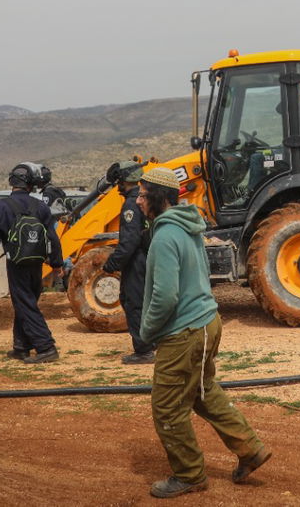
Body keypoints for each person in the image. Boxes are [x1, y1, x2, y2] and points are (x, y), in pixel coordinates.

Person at [138, 164, 269, 497]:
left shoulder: (165, 235)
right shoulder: (187, 225)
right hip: (207, 322)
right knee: (202, 391)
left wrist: (147, 330)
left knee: (167, 407)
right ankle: (250, 449)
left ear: (156, 196)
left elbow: (165, 295)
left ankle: (190, 474)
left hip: (185, 332)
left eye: (141, 194)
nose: (137, 201)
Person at [0, 163, 67, 363]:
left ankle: (46, 347)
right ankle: (21, 347)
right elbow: (53, 238)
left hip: (16, 263)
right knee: (26, 302)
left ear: (12, 182)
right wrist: (57, 264)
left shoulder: (1, 206)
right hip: (37, 264)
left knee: (24, 304)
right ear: (32, 184)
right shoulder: (41, 207)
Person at [102, 160, 157, 364]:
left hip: (136, 261)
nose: (118, 186)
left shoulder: (130, 204)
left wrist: (112, 263)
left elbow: (129, 240)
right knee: (141, 301)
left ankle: (143, 350)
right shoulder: (147, 199)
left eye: (119, 182)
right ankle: (151, 341)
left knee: (133, 303)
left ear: (125, 180)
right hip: (147, 257)